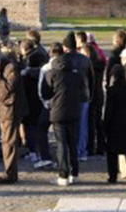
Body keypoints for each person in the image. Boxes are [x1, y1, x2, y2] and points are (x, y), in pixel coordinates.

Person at [44, 32, 89, 186]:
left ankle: (63, 175)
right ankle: (75, 173)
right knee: (72, 142)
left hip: (57, 111)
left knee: (62, 144)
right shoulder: (76, 74)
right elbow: (84, 88)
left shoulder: (52, 74)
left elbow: (46, 92)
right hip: (74, 109)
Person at [0, 47, 28, 184]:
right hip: (2, 109)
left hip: (11, 109)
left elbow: (9, 89)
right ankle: (9, 172)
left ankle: (10, 174)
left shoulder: (11, 68)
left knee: (9, 141)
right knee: (6, 141)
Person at [34, 42, 63, 169]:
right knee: (61, 134)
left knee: (42, 129)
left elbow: (41, 87)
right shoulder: (67, 65)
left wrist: (45, 102)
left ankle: (45, 157)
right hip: (62, 103)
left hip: (49, 104)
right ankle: (61, 159)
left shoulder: (46, 68)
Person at [19, 38, 45, 165]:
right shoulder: (41, 66)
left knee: (30, 127)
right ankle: (37, 150)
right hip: (38, 100)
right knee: (36, 126)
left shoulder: (27, 72)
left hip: (29, 100)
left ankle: (33, 151)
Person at [73, 31, 95, 162]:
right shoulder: (86, 61)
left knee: (79, 125)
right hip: (85, 96)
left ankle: (79, 150)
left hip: (80, 96)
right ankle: (82, 150)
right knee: (83, 125)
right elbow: (91, 80)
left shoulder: (79, 61)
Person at [82, 40, 106, 157]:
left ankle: (90, 147)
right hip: (99, 94)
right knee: (98, 121)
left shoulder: (88, 66)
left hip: (91, 95)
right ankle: (101, 145)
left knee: (90, 123)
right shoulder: (99, 64)